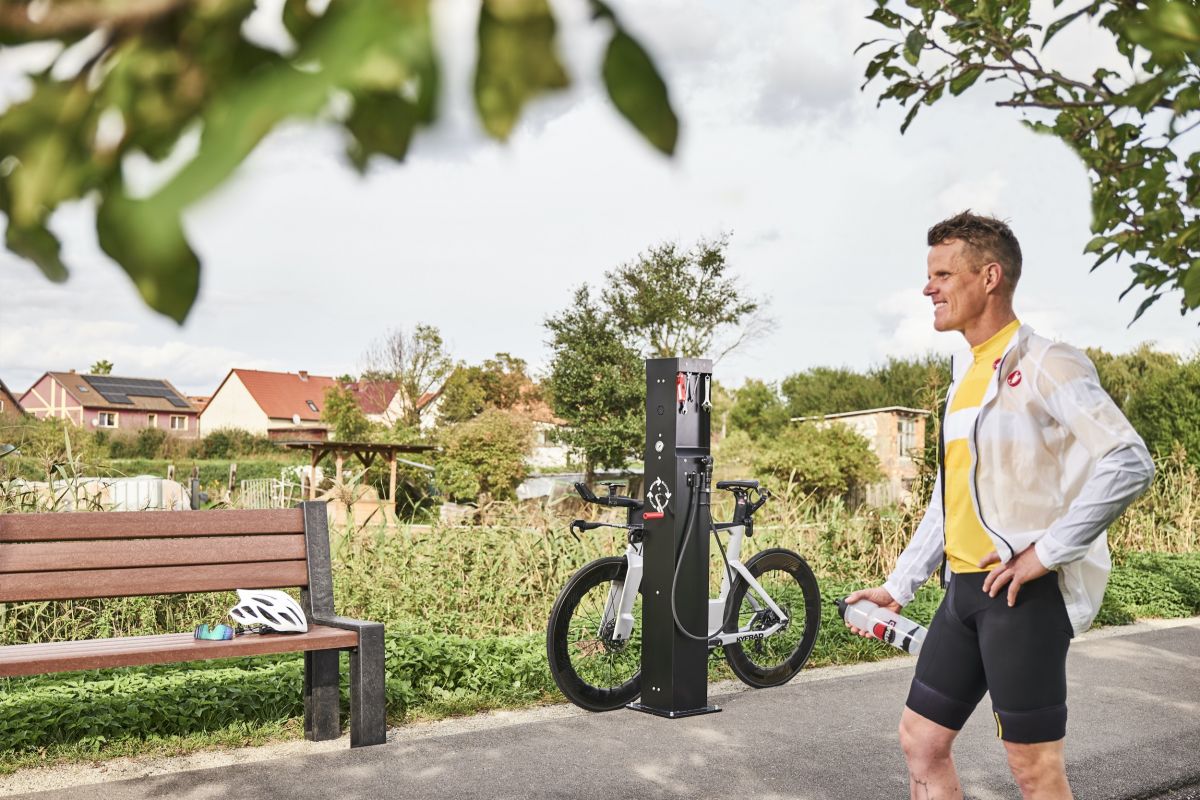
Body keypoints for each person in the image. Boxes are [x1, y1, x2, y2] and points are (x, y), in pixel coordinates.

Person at [845, 211, 1154, 800]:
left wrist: (1048, 552)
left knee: (1033, 770)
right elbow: (948, 497)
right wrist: (900, 584)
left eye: (941, 273)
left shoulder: (1046, 361)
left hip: (1022, 597)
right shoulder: (965, 378)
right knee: (921, 742)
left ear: (989, 277)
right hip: (962, 594)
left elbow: (1128, 459)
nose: (927, 287)